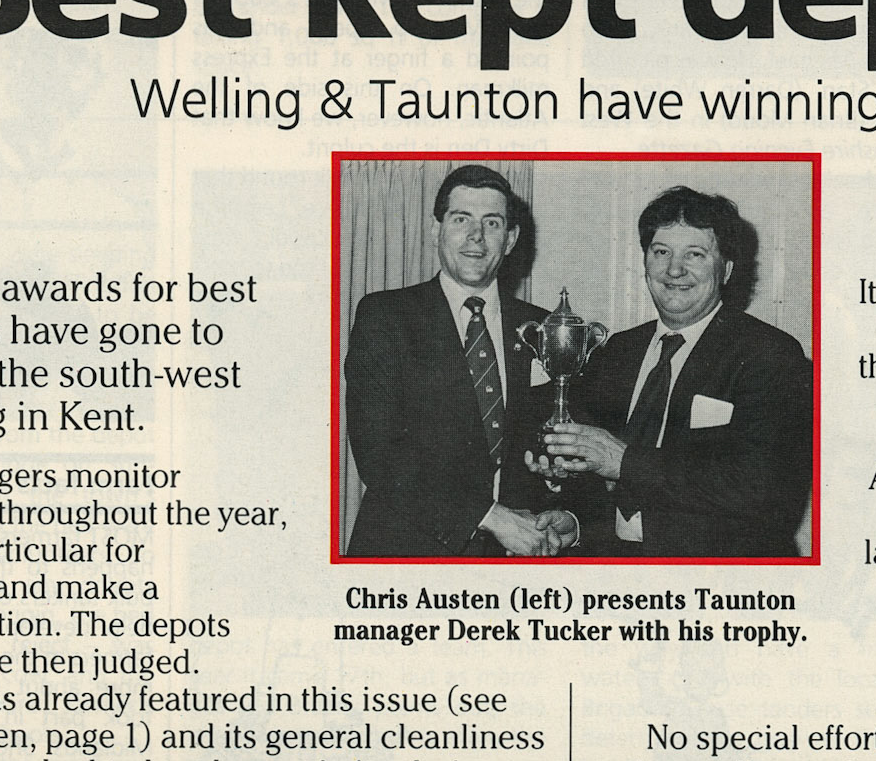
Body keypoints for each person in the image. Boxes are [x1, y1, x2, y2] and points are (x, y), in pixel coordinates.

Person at [540, 187, 813, 559]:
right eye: (661, 252)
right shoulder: (618, 351)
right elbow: (602, 478)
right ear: (645, 263)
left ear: (727, 270)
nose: (674, 270)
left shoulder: (770, 354)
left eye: (695, 254)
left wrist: (625, 460)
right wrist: (575, 520)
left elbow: (761, 487)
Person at [343, 165, 573, 558]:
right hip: (406, 556)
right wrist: (488, 516)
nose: (476, 237)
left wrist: (560, 497)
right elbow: (378, 456)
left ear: (511, 238)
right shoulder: (385, 316)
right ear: (436, 231)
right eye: (461, 219)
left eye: (492, 223)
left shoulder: (544, 328)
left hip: (516, 560)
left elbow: (554, 444)